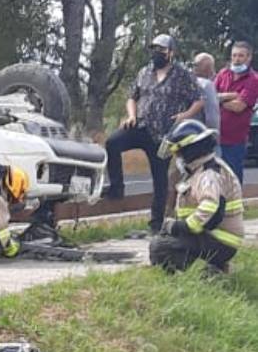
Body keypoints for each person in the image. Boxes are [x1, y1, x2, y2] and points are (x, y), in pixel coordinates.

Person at [103, 34, 204, 233]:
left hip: (163, 134)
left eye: (161, 50)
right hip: (140, 126)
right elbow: (132, 97)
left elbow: (199, 99)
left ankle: (156, 223)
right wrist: (131, 115)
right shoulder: (144, 72)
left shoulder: (182, 75)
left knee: (159, 178)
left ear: (171, 53)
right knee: (112, 143)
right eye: (154, 49)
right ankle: (116, 187)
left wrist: (185, 115)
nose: (157, 54)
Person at [150, 120, 243, 274]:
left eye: (177, 153)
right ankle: (213, 269)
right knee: (168, 237)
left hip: (219, 240)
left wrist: (182, 227)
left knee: (161, 246)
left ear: (189, 150)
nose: (176, 157)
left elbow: (210, 207)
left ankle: (203, 273)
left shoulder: (209, 174)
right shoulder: (200, 170)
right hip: (214, 237)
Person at [215, 41, 258, 183]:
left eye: (241, 56)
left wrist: (219, 98)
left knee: (232, 179)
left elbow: (239, 106)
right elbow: (209, 96)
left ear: (249, 57)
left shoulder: (253, 79)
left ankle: (234, 206)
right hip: (215, 136)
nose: (236, 59)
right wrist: (231, 95)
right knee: (216, 179)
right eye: (234, 55)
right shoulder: (223, 73)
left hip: (235, 140)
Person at [193, 52, 220, 132]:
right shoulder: (207, 85)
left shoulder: (186, 81)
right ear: (209, 69)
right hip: (199, 134)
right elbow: (212, 118)